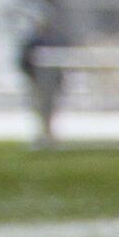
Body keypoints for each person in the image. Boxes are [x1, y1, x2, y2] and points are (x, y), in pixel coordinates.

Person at [17, 15, 74, 147]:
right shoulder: (34, 41)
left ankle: (48, 133)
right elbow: (24, 61)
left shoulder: (54, 41)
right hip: (38, 80)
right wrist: (31, 76)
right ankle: (43, 134)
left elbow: (64, 59)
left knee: (50, 107)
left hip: (51, 81)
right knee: (40, 108)